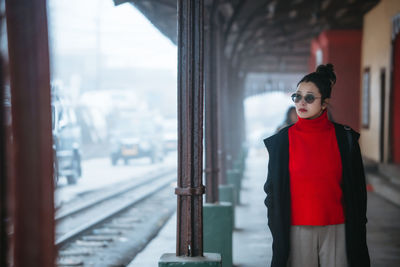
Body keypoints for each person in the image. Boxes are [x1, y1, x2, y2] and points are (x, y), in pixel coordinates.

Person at [263, 63, 370, 267]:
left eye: (310, 97)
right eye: (297, 96)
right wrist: (276, 224)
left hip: (338, 227)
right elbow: (272, 190)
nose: (301, 102)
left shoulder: (344, 139)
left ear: (324, 103)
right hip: (296, 229)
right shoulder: (281, 142)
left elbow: (357, 189)